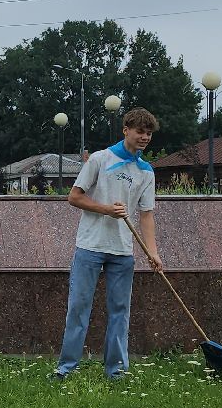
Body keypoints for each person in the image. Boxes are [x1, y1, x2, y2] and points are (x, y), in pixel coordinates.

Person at [54, 107, 162, 379]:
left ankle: (116, 372)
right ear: (126, 130)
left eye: (149, 134)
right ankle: (66, 369)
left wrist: (152, 252)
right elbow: (74, 197)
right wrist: (106, 210)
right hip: (89, 247)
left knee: (120, 312)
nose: (145, 137)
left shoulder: (146, 171)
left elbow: (146, 215)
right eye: (140, 131)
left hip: (123, 251)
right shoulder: (100, 159)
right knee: (79, 308)